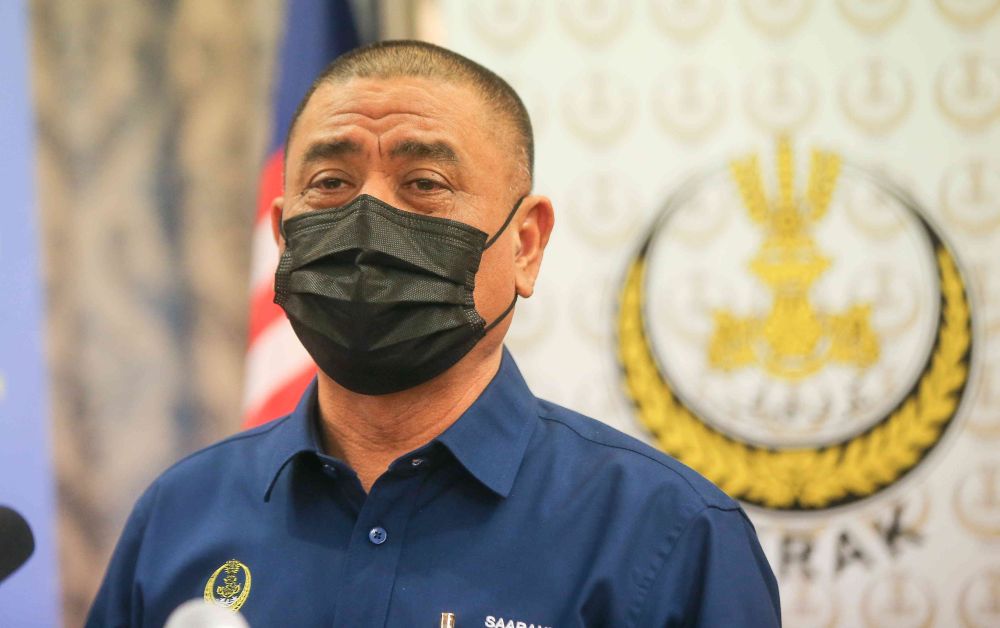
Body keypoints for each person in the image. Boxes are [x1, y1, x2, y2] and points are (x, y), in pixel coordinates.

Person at [87, 40, 780, 627]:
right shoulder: (178, 518)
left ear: (527, 245)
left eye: (423, 182)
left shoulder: (668, 534)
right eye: (329, 182)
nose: (365, 222)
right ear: (282, 238)